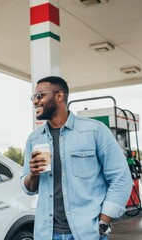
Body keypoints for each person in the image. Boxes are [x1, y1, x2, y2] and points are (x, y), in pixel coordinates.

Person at [20, 76, 132, 240]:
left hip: (87, 233)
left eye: (40, 95)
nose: (35, 101)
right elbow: (28, 188)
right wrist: (33, 174)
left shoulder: (94, 131)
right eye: (33, 97)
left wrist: (104, 222)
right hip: (46, 234)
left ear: (59, 96)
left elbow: (121, 177)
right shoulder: (34, 139)